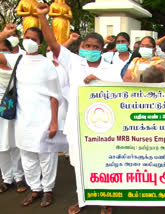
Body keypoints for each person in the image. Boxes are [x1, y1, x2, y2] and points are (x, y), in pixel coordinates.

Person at [37, 3, 122, 214]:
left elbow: (120, 96)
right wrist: (41, 17)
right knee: (80, 165)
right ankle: (82, 199)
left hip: (104, 127)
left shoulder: (112, 69)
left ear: (102, 49)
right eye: (88, 45)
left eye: (96, 47)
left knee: (103, 162)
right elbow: (52, 42)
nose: (91, 50)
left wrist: (100, 80)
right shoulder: (74, 62)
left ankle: (105, 200)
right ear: (81, 46)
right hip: (77, 125)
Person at [0, 24, 60, 207]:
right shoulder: (17, 59)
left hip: (44, 118)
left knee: (46, 156)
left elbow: (54, 96)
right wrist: (3, 34)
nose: (29, 41)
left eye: (34, 39)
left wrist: (54, 123)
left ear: (40, 43)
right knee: (27, 156)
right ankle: (35, 188)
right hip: (22, 120)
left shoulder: (47, 64)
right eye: (26, 37)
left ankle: (47, 190)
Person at [0, 38, 27, 194]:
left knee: (15, 145)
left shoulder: (18, 68)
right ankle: (6, 178)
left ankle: (19, 177)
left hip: (13, 110)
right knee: (1, 148)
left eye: (4, 50)